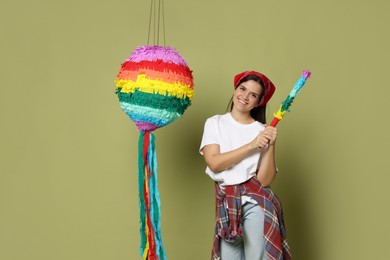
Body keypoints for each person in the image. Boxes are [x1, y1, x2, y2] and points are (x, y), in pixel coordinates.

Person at [199, 71, 291, 260]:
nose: (245, 97)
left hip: (255, 203)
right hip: (227, 204)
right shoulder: (215, 123)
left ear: (258, 102)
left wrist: (271, 144)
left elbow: (264, 180)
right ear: (235, 90)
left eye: (253, 95)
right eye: (243, 89)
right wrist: (251, 145)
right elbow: (214, 163)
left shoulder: (261, 131)